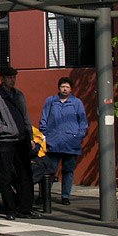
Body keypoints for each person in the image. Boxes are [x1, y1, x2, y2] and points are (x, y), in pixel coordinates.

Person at [0, 66, 39, 220]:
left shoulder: (19, 95)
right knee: (5, 176)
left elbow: (26, 117)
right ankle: (10, 209)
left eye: (14, 77)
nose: (12, 80)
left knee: (26, 174)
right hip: (6, 141)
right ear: (2, 78)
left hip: (21, 140)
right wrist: (6, 129)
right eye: (9, 77)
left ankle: (25, 208)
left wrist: (29, 136)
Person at [39, 77, 88, 205]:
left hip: (71, 143)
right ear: (58, 88)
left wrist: (78, 136)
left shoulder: (77, 103)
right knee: (49, 171)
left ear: (71, 89)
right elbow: (43, 119)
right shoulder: (51, 101)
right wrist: (46, 135)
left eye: (67, 87)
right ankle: (44, 195)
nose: (64, 89)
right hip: (53, 143)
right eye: (62, 86)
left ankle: (65, 196)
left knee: (68, 171)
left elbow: (83, 122)